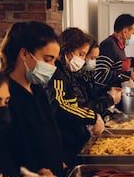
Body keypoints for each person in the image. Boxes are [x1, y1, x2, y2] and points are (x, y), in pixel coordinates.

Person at [0, 21, 78, 177]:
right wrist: (37, 174)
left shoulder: (37, 88)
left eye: (54, 60)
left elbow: (46, 131)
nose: (52, 67)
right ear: (24, 54)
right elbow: (6, 148)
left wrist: (58, 162)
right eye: (47, 59)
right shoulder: (5, 95)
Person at [45, 27, 105, 169]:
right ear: (67, 51)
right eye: (81, 54)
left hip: (73, 139)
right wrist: (92, 116)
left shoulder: (68, 72)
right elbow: (61, 107)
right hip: (63, 143)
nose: (83, 60)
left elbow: (74, 105)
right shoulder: (57, 75)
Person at [95, 13, 134, 88]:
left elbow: (124, 64)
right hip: (107, 95)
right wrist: (130, 74)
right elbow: (100, 75)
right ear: (125, 32)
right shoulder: (109, 45)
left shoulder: (118, 46)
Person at [72, 36, 123, 116]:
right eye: (92, 58)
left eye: (96, 58)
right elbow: (85, 107)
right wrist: (110, 99)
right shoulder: (74, 76)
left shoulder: (87, 72)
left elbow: (93, 93)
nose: (94, 62)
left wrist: (109, 91)